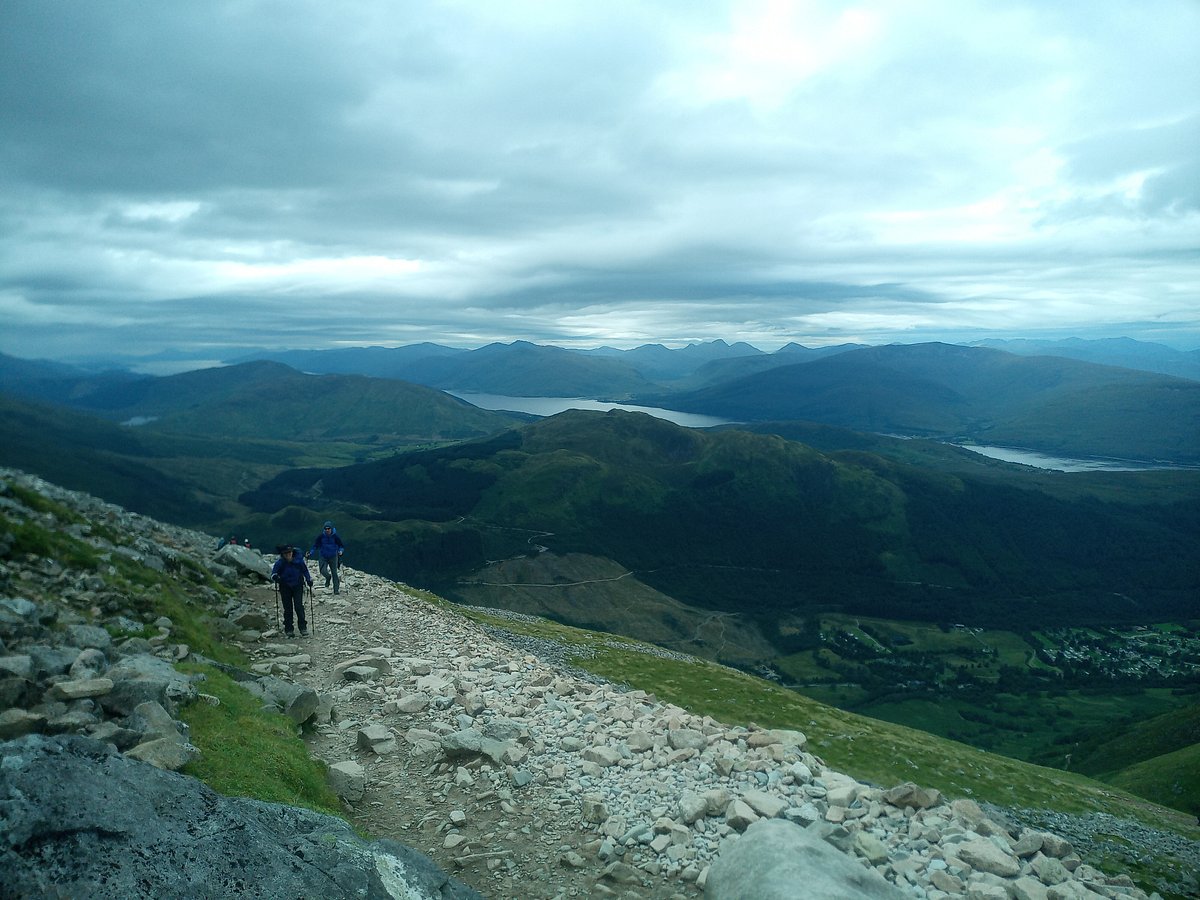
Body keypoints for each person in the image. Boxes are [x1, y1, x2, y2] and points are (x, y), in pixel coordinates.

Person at [270, 546, 312, 637]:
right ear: (283, 554)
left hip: (297, 586)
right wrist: (275, 577)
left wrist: (309, 579)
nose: (288, 555)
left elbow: (305, 571)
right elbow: (273, 574)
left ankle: (302, 628)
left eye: (290, 552)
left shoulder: (298, 562)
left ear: (292, 553)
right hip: (285, 587)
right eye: (286, 553)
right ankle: (289, 629)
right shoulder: (280, 563)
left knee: (298, 606)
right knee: (288, 608)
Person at [308, 521, 345, 594]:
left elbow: (341, 546)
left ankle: (336, 590)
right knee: (323, 571)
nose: (327, 530)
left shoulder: (335, 537)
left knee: (334, 573)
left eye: (328, 528)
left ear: (331, 529)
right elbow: (315, 545)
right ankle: (328, 577)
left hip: (333, 556)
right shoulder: (321, 536)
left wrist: (341, 551)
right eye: (325, 528)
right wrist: (311, 553)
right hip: (323, 556)